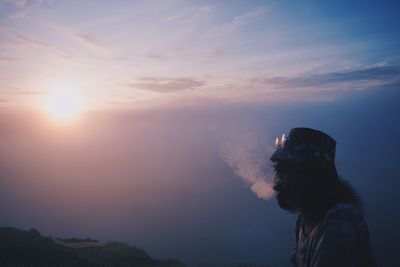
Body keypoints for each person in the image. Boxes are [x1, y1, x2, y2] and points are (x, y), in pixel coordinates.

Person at [270, 128, 376, 267]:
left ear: (309, 175)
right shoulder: (307, 216)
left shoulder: (338, 226)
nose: (275, 181)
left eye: (285, 170)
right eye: (277, 170)